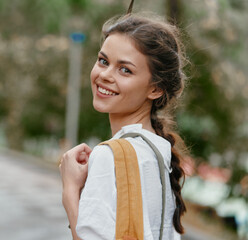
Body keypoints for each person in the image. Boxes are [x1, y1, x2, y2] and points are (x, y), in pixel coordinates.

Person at [59, 8, 189, 240]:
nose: (106, 75)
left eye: (125, 70)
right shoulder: (158, 150)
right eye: (103, 61)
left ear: (155, 89)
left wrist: (70, 190)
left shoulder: (110, 156)